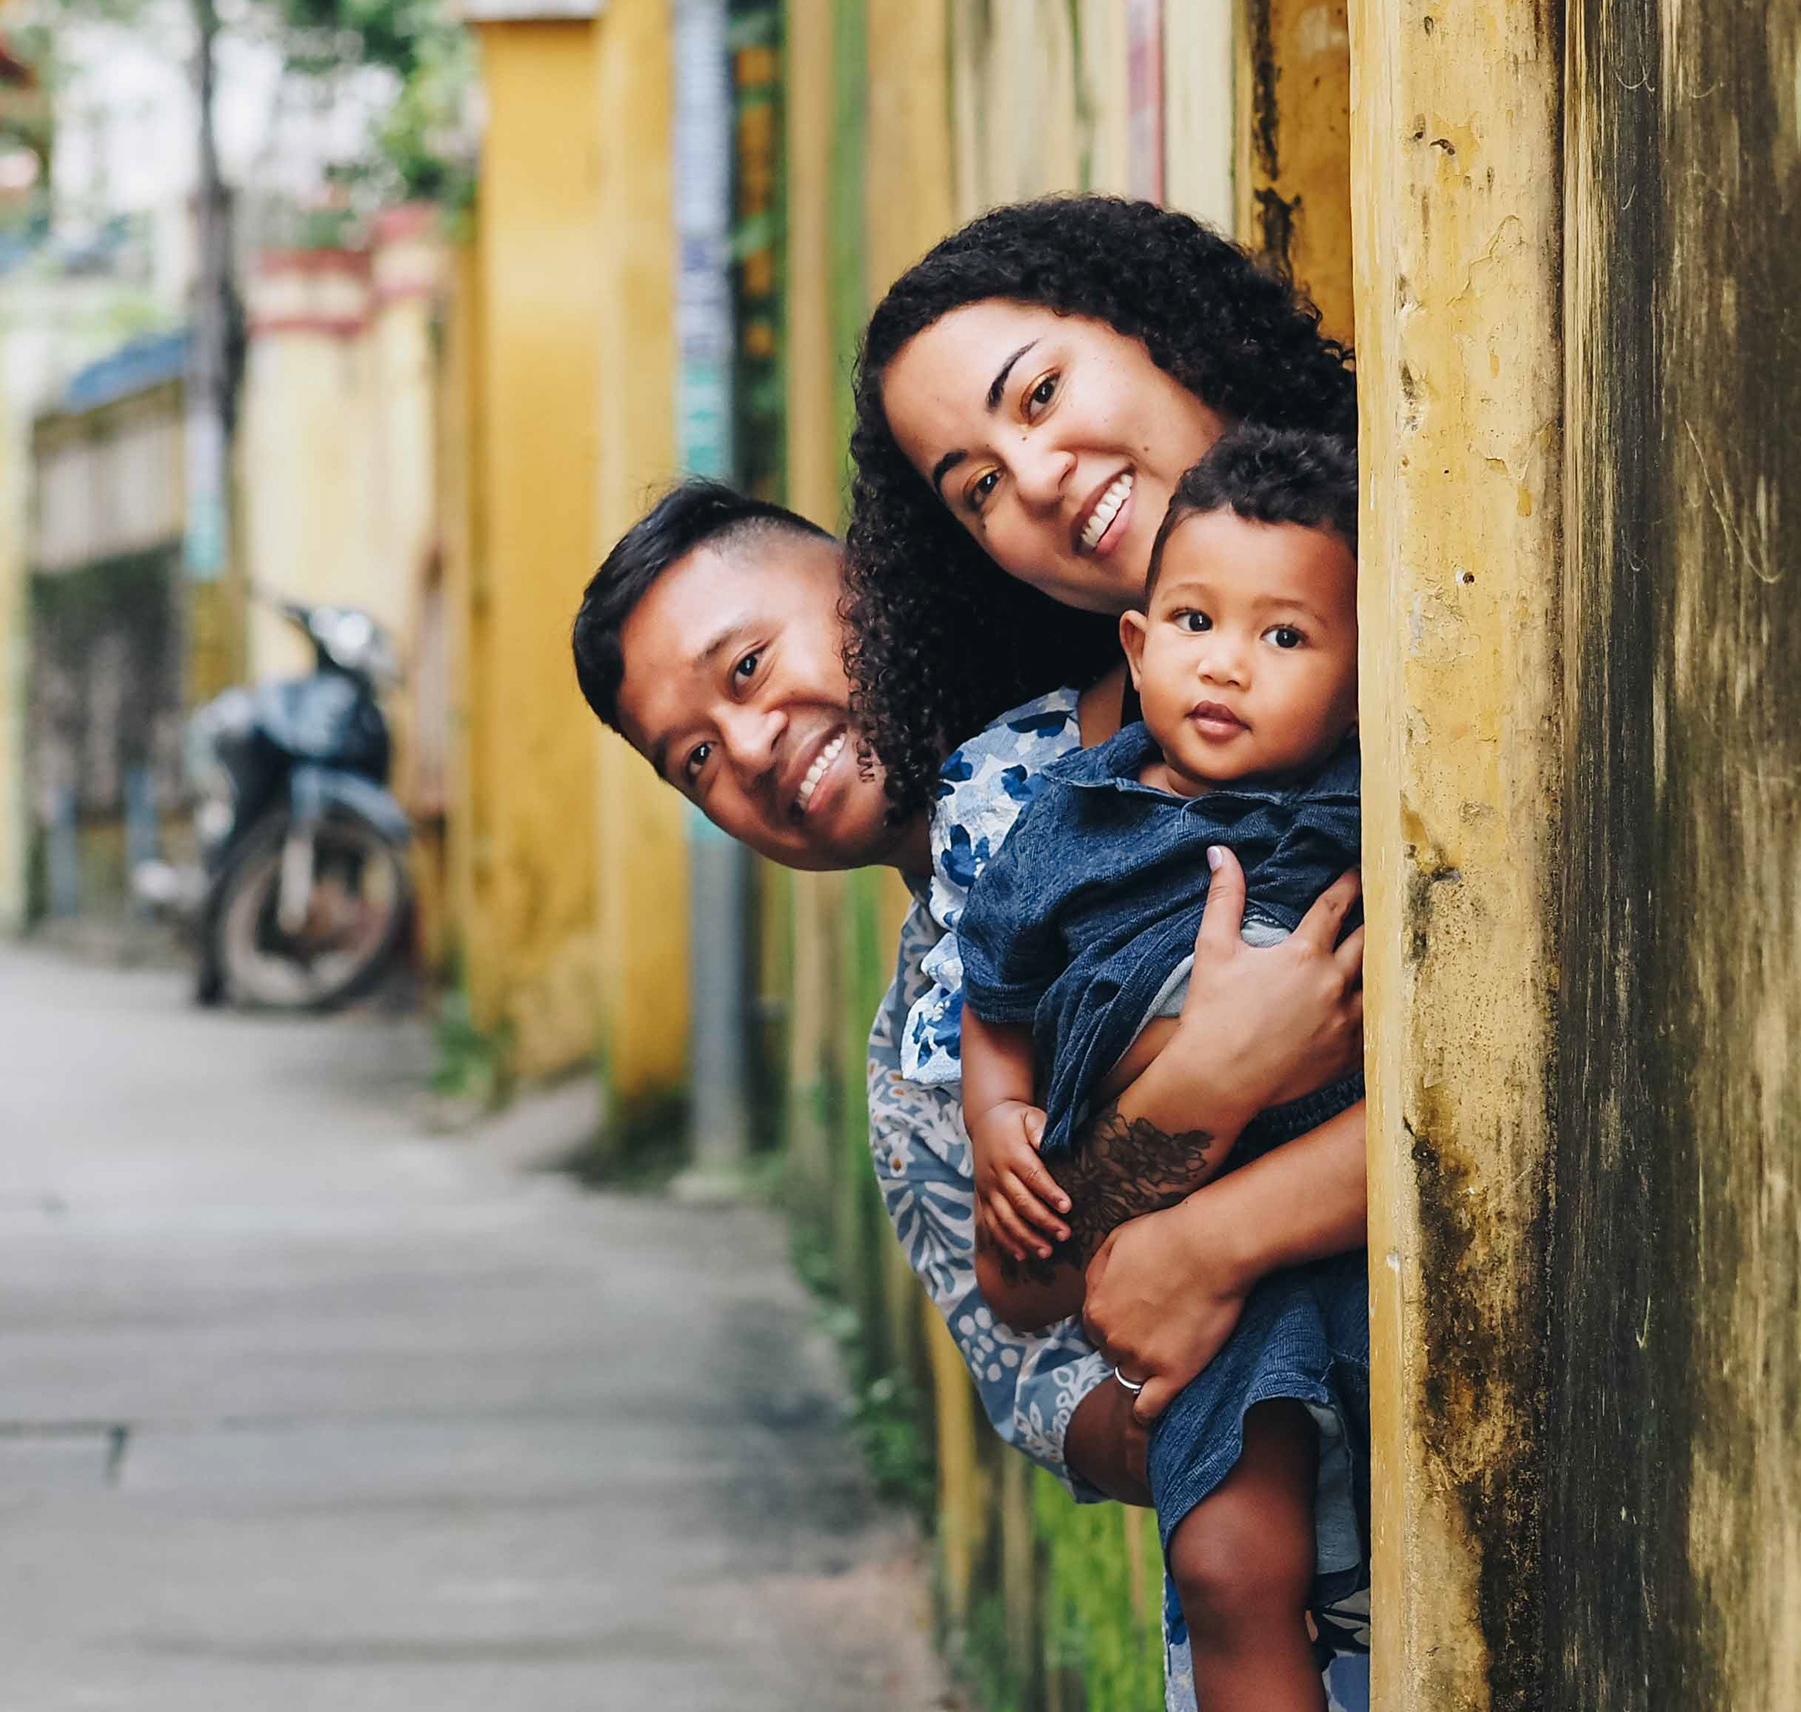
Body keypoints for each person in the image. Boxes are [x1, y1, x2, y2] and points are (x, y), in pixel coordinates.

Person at [570, 465, 1363, 1709]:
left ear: (865, 570)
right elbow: (1046, 1383)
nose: (757, 745)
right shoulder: (915, 1076)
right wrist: (1185, 1360)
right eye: (698, 760)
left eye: (747, 667)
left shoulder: (1209, 716)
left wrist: (1210, 1230)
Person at [842, 193, 1372, 1706]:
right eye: (975, 484)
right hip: (1286, 1522)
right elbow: (1043, 1282)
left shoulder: (1439, 580)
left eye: (1040, 393)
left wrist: (1211, 1232)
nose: (1037, 479)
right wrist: (1198, 1084)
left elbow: (1521, 1056)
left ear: (1158, 324)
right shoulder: (1037, 802)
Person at [954, 427, 1369, 1703]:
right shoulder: (1066, 822)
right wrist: (997, 1121)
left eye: (1285, 638)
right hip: (1184, 1269)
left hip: (1335, 1224)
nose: (1228, 664)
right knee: (1234, 1564)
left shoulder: (1369, 810)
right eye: (1194, 620)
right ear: (1138, 651)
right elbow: (995, 993)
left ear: (1365, 680)